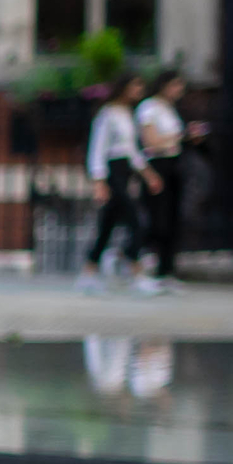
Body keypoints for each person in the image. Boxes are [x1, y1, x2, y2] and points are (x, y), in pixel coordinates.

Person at [78, 75, 161, 298]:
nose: (139, 90)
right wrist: (99, 182)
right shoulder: (107, 114)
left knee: (107, 225)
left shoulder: (127, 114)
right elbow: (97, 148)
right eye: (136, 85)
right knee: (137, 220)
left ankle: (89, 271)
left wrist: (148, 174)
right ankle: (135, 271)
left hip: (125, 171)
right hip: (112, 171)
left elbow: (132, 151)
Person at [135, 69, 202, 289]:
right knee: (157, 219)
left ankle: (166, 270)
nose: (179, 91)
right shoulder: (149, 108)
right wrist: (181, 136)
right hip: (157, 165)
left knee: (174, 218)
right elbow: (151, 142)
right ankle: (138, 260)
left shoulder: (171, 109)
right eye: (175, 85)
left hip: (175, 164)